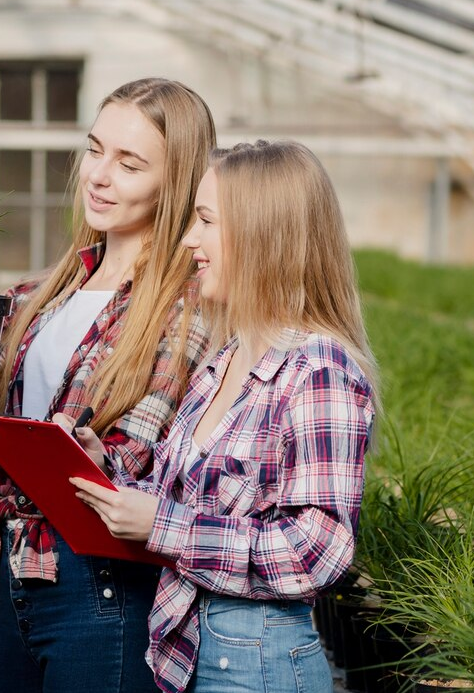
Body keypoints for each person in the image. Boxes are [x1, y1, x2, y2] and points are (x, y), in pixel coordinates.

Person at [0, 78, 216, 692]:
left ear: (177, 184)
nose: (99, 176)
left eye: (129, 163)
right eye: (95, 149)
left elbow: (127, 465)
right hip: (14, 576)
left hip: (101, 592)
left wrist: (75, 452)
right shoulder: (40, 295)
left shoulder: (184, 310)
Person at [70, 140, 378, 693]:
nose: (190, 239)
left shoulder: (318, 370)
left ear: (262, 234)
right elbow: (188, 503)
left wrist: (163, 527)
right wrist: (106, 474)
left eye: (206, 221)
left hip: (257, 661)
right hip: (193, 648)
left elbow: (319, 548)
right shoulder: (226, 358)